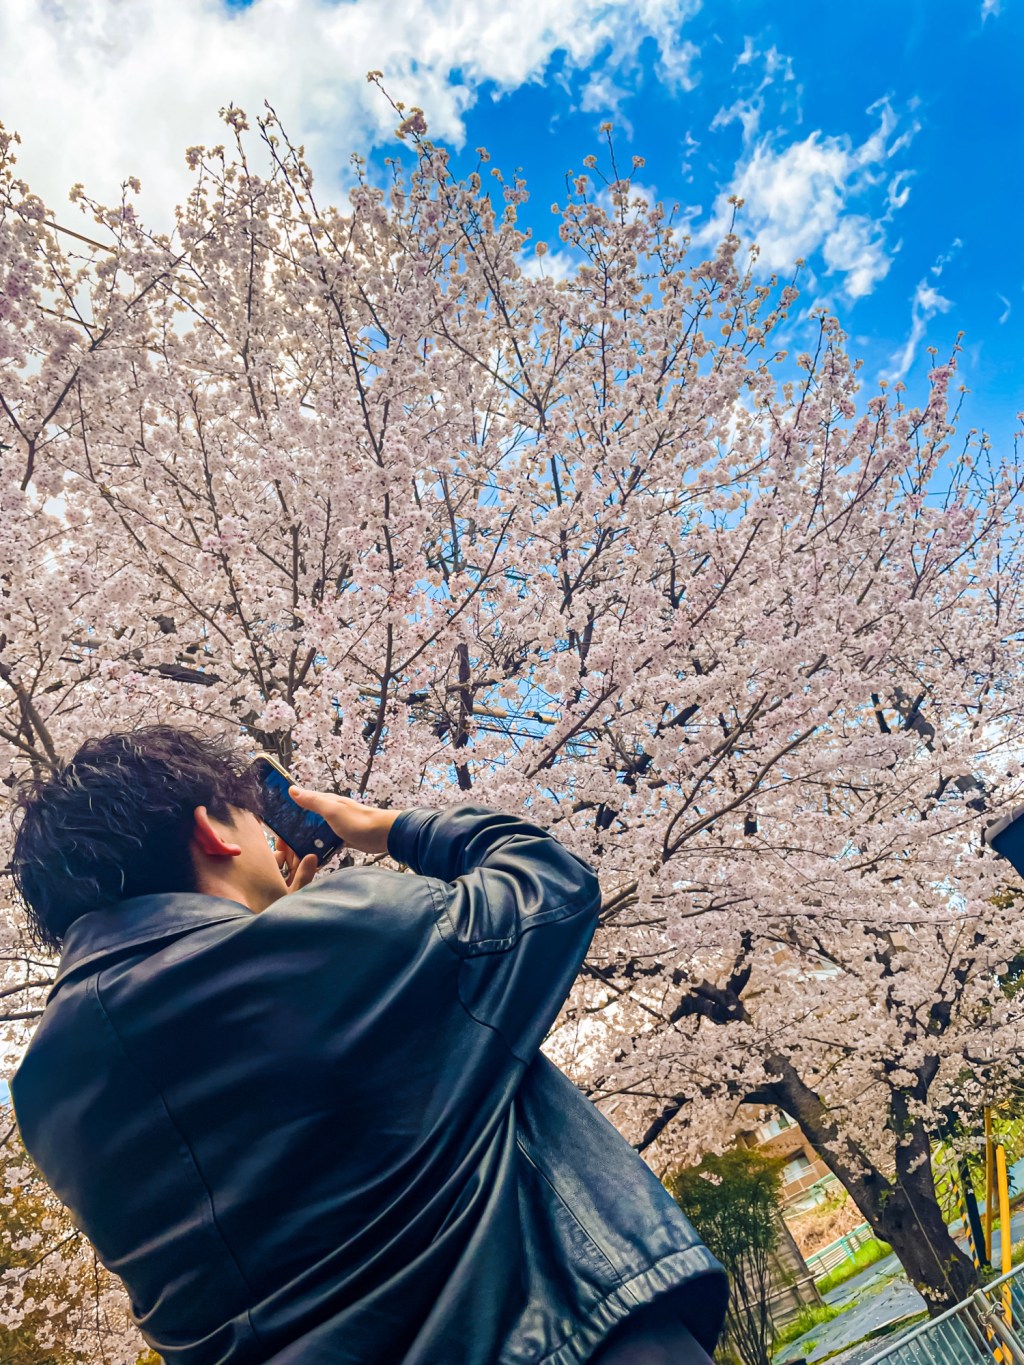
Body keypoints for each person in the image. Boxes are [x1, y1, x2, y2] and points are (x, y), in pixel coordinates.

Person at [8, 725, 727, 1363]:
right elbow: (551, 882)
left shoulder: (45, 1098)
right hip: (568, 1337)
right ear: (214, 831)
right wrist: (386, 827)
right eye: (255, 821)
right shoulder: (341, 934)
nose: (271, 838)